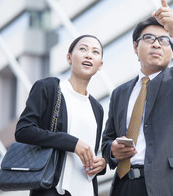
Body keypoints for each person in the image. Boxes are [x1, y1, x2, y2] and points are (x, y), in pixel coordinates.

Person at [101, 0, 173, 196]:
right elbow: (107, 140)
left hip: (171, 186)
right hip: (125, 186)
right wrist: (112, 150)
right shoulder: (120, 93)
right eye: (149, 38)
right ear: (135, 47)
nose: (157, 44)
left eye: (164, 41)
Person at [15, 35, 107, 196]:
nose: (88, 55)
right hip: (52, 189)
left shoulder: (97, 108)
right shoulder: (49, 88)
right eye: (83, 49)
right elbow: (23, 130)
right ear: (69, 58)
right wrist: (72, 143)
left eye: (95, 52)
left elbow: (89, 154)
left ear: (100, 65)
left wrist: (101, 164)